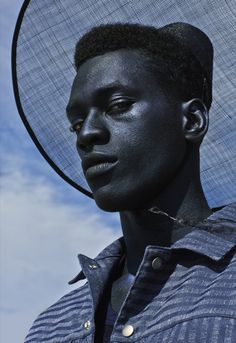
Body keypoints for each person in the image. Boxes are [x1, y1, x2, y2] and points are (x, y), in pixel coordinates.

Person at [24, 22, 236, 343]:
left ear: (192, 120)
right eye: (76, 123)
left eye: (118, 106)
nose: (87, 134)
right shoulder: (51, 326)